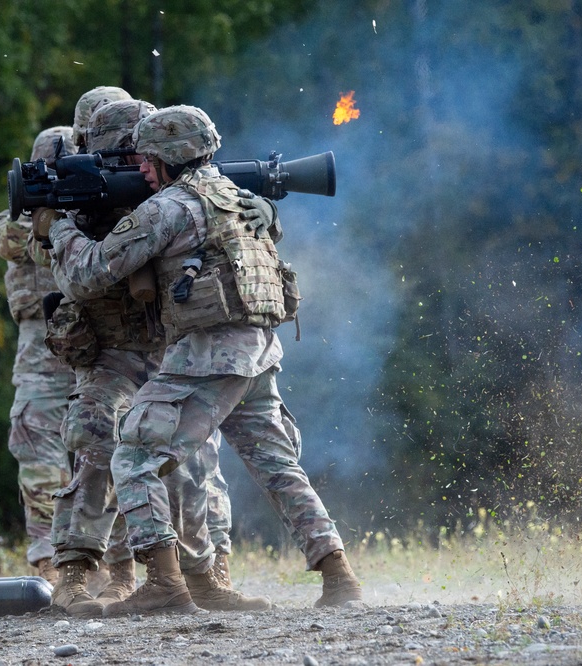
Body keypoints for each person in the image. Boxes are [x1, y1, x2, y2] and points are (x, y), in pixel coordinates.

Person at [47, 105, 363, 616]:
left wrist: (60, 228)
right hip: (259, 351)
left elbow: (87, 273)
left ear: (171, 159)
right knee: (277, 465)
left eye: (148, 160)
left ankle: (165, 587)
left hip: (208, 352)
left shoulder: (168, 208)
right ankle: (339, 577)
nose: (142, 170)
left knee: (132, 453)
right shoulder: (238, 196)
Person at [42, 97, 265, 618]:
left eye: (139, 157)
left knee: (193, 459)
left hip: (173, 346)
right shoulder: (80, 192)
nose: (135, 168)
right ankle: (75, 572)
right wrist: (69, 225)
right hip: (113, 349)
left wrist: (266, 209)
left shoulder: (181, 193)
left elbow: (242, 228)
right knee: (93, 433)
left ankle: (202, 575)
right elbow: (56, 262)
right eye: (122, 158)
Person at [0, 126, 78, 585]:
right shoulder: (20, 217)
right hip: (42, 348)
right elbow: (10, 239)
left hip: (99, 342)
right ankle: (48, 555)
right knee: (37, 446)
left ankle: (102, 556)